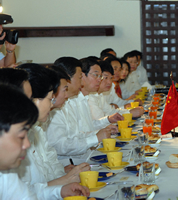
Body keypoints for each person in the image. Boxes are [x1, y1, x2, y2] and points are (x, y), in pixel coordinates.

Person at [0, 85, 90, 199]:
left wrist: (60, 190)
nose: (27, 144)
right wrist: (63, 181)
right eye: (21, 136)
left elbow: (26, 195)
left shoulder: (5, 172)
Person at [15, 63, 91, 196]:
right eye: (50, 98)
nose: (52, 104)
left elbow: (51, 162)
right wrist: (64, 181)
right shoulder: (11, 139)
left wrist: (64, 182)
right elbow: (20, 193)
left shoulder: (36, 129)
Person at [47, 57, 117, 160]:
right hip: (73, 161)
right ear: (67, 78)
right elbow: (60, 145)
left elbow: (82, 131)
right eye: (80, 77)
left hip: (84, 157)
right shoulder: (56, 107)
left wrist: (104, 126)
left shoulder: (77, 99)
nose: (82, 83)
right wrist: (95, 137)